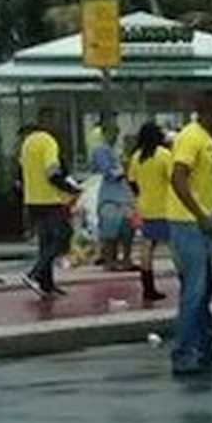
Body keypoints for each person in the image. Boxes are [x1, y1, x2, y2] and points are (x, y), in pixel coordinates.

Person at [165, 97, 212, 374]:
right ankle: (183, 353)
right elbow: (178, 178)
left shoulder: (209, 141)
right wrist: (200, 215)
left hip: (201, 225)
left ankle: (207, 346)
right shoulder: (190, 137)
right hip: (188, 224)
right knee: (194, 291)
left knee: (204, 288)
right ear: (208, 112)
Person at [18, 121, 79, 298]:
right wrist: (70, 189)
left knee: (45, 242)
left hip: (32, 199)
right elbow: (52, 172)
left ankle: (47, 284)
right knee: (62, 237)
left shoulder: (26, 144)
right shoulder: (48, 141)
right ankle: (34, 274)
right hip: (50, 199)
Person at [128, 123, 172, 305]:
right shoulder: (164, 155)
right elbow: (174, 179)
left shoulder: (137, 157)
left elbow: (132, 181)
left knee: (146, 249)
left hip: (145, 208)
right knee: (175, 247)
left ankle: (148, 288)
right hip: (165, 208)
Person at [90, 127, 132, 270]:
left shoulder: (117, 151)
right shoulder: (101, 150)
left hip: (123, 196)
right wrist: (125, 169)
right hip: (110, 197)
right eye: (111, 132)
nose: (114, 136)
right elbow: (109, 172)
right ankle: (110, 261)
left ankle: (126, 259)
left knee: (126, 229)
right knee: (110, 231)